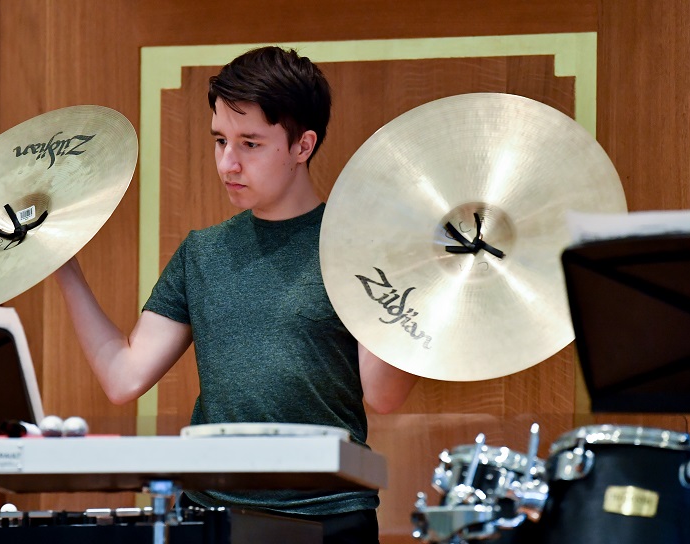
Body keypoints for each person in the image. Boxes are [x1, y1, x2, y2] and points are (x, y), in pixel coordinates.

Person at [53, 46, 418, 543]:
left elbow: (383, 395)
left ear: (302, 145)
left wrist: (422, 288)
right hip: (211, 515)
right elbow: (123, 377)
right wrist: (63, 265)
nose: (228, 162)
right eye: (220, 140)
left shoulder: (358, 248)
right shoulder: (202, 253)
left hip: (329, 516)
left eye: (250, 143)